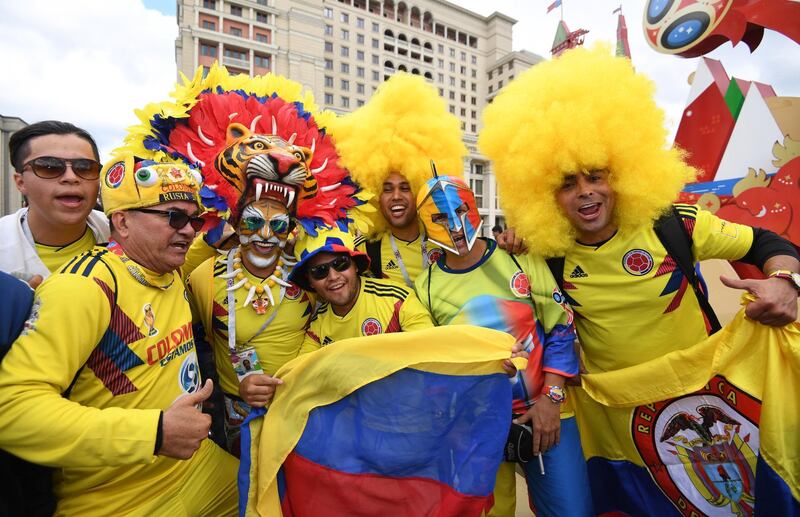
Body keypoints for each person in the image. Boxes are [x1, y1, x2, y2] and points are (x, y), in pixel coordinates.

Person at [479, 45, 799, 512]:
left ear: (624, 174)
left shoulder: (674, 225)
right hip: (624, 425)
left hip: (716, 405)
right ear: (545, 196)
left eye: (597, 175)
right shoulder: (548, 256)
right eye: (568, 183)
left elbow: (767, 244)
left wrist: (785, 281)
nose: (586, 192)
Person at [0, 152, 238, 516]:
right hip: (117, 499)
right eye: (174, 217)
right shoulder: (83, 287)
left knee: (276, 492)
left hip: (196, 468)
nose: (189, 230)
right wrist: (155, 432)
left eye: (195, 219)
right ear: (122, 222)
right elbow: (12, 410)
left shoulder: (169, 268)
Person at [415, 171, 592, 517]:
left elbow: (560, 327)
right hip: (475, 428)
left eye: (461, 210)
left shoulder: (520, 258)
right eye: (438, 218)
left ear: (475, 206)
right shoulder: (425, 288)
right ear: (424, 223)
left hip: (547, 413)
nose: (453, 225)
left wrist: (551, 400)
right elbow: (433, 364)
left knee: (571, 511)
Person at [330, 73, 466, 286]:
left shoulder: (447, 239)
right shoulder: (364, 250)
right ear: (375, 195)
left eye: (405, 187)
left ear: (420, 191)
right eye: (386, 189)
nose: (396, 197)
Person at [0, 121, 110, 285]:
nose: (71, 177)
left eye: (85, 167)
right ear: (20, 182)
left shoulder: (126, 235)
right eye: (49, 166)